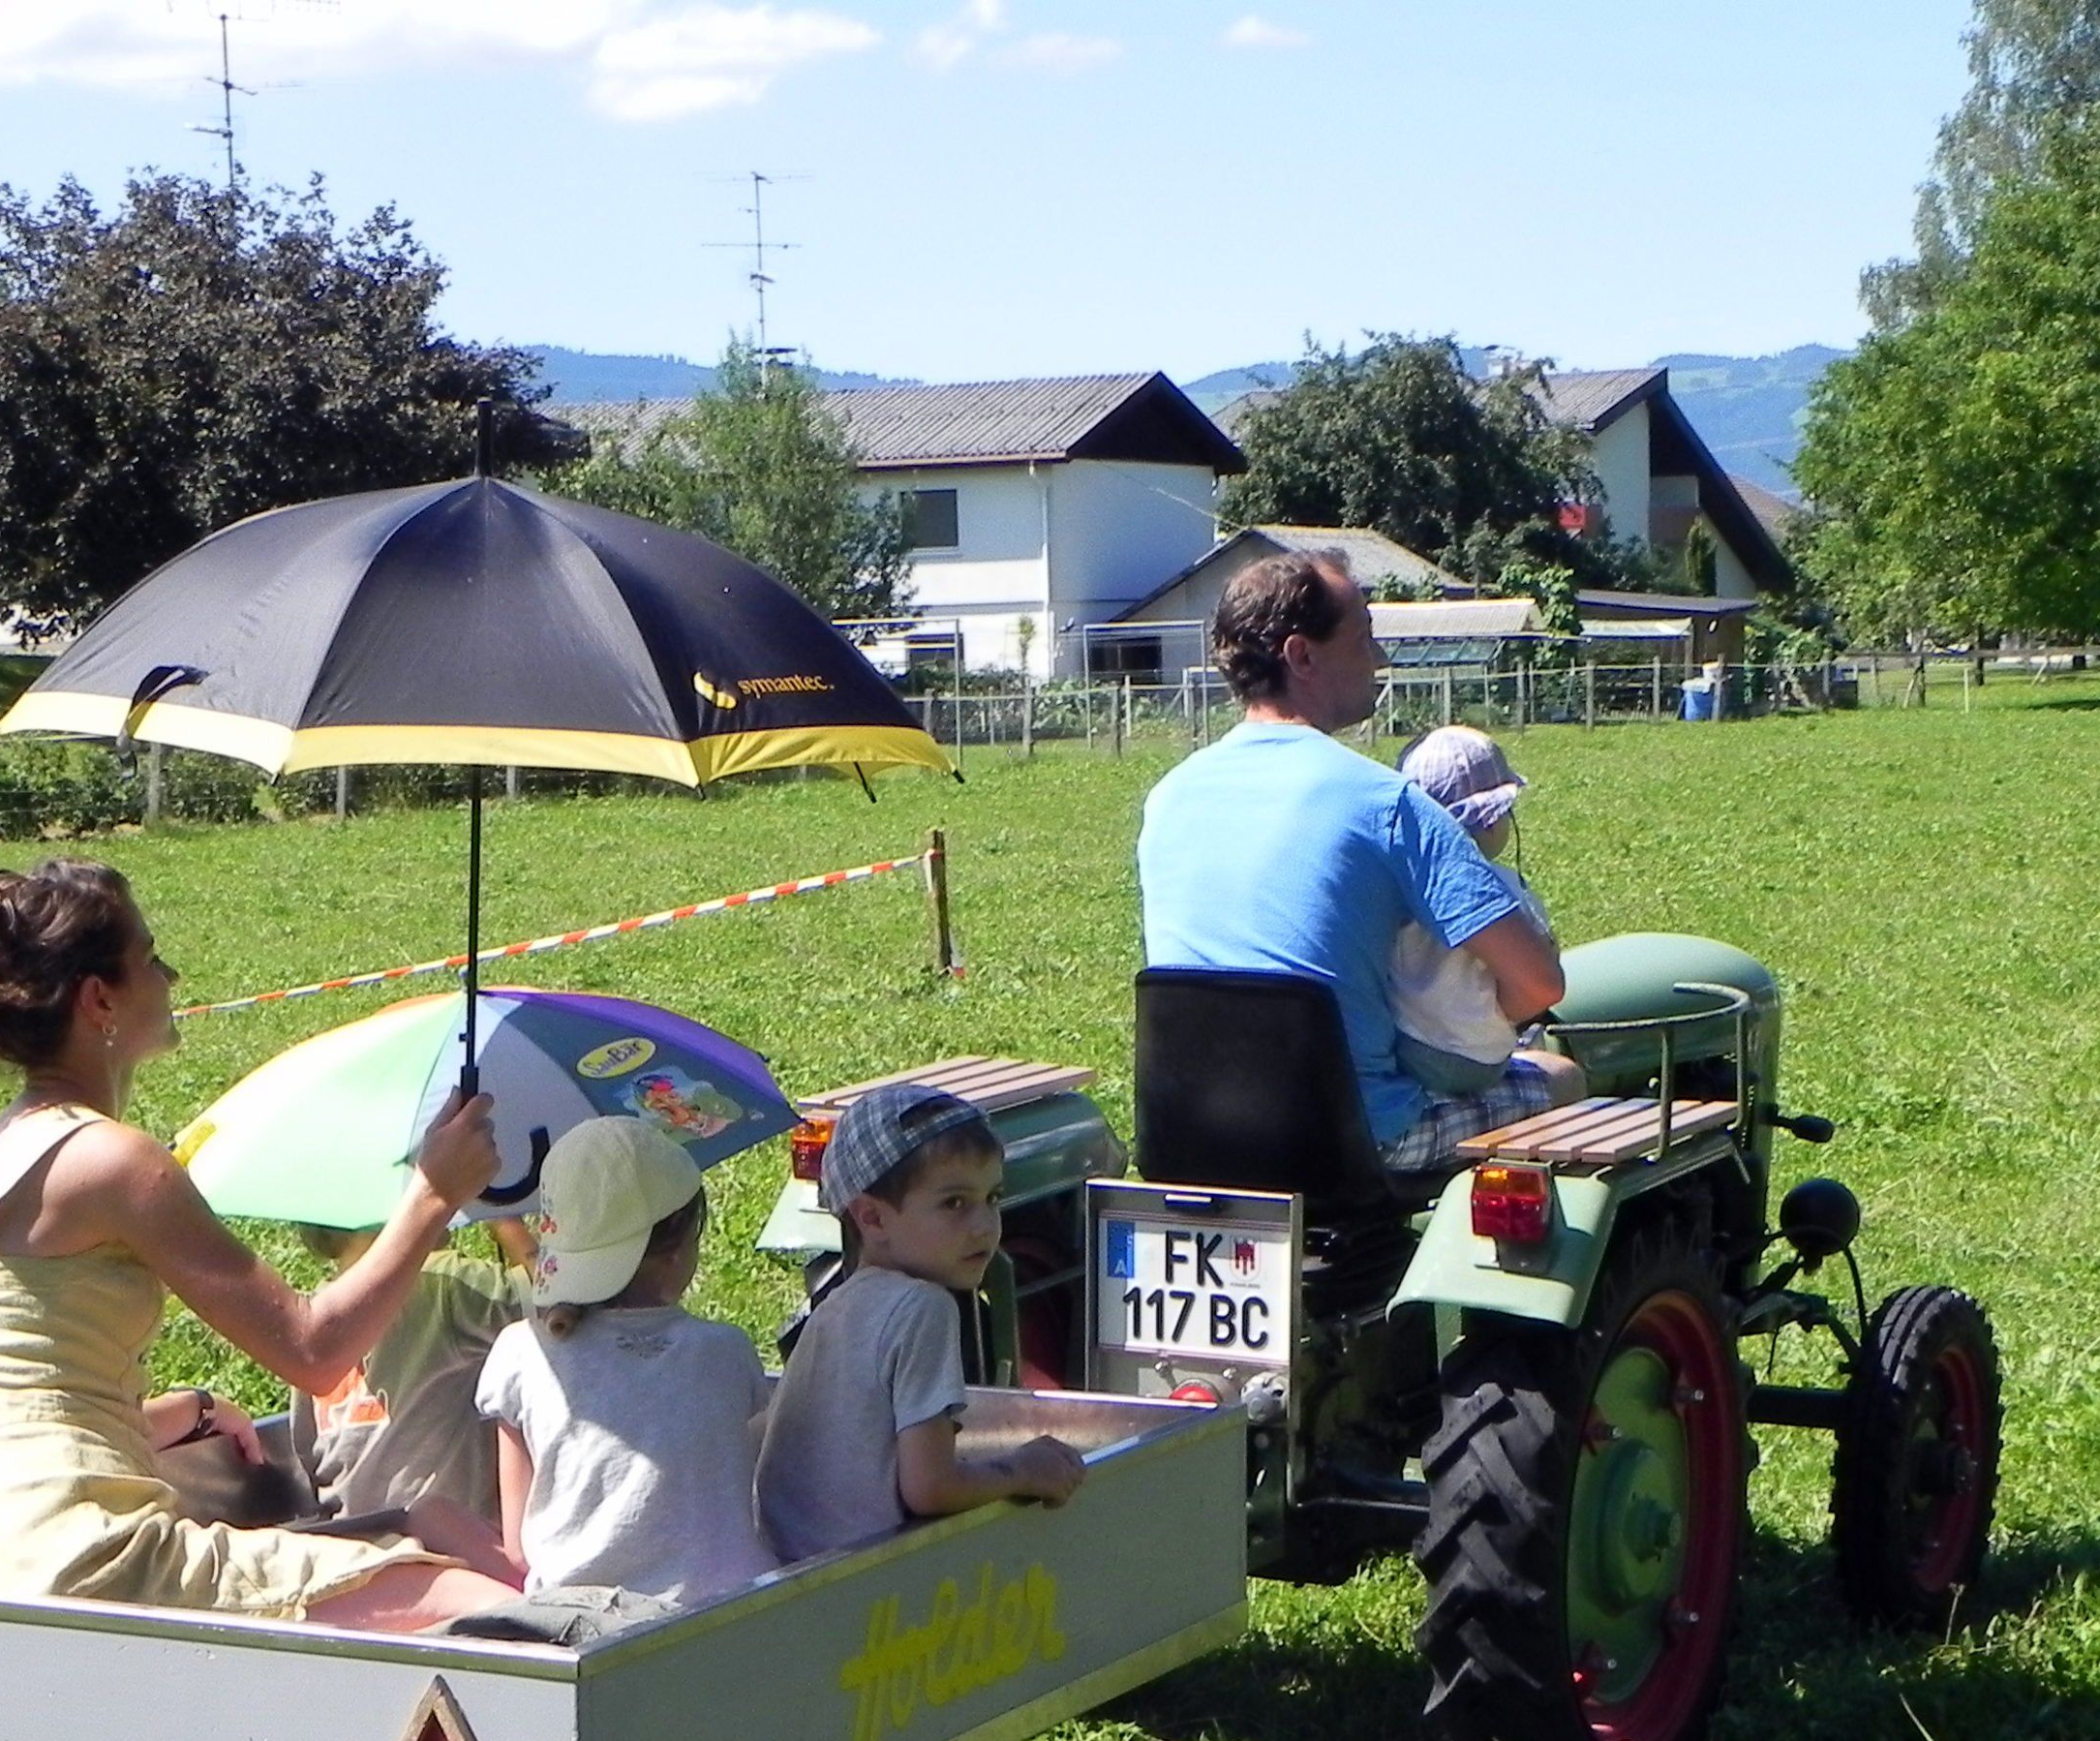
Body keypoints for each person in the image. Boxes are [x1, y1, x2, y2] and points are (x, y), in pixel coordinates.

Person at [0, 860, 523, 1633]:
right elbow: (315, 1351)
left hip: (0, 1555)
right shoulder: (109, 1160)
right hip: (94, 1560)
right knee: (493, 1614)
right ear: (99, 1000)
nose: (171, 977)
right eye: (150, 958)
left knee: (434, 1526)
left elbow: (31, 1395)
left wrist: (186, 1412)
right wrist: (433, 1195)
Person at [1138, 554, 1576, 1173]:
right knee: (1560, 1078)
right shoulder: (1386, 804)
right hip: (1355, 1144)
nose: (1380, 658)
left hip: (1196, 1139)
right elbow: (1539, 984)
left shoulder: (1168, 798)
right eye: (1364, 636)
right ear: (1301, 655)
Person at [756, 1084, 1085, 1566]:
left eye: (992, 1198)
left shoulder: (836, 1306)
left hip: (788, 1566)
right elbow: (931, 1488)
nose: (985, 1226)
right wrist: (1022, 1469)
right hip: (864, 1581)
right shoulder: (924, 1308)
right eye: (954, 1203)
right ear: (873, 1218)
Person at [475, 1115, 772, 1608]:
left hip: (577, 1620)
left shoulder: (522, 1353)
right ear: (678, 1250)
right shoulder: (726, 1351)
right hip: (722, 1614)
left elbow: (518, 1548)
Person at [1390, 721, 1584, 1115]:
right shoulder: (1502, 887)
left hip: (1402, 1046)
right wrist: (1492, 1019)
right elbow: (1541, 983)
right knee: (1568, 1076)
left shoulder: (1396, 882)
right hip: (1470, 1063)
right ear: (1493, 818)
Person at [289, 1217, 535, 1524]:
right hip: (453, 1543)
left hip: (355, 1540)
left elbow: (307, 1452)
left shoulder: (312, 1318)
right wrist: (505, 1220)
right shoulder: (445, 1282)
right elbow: (554, 1298)